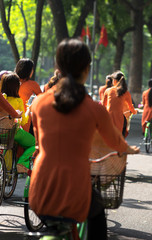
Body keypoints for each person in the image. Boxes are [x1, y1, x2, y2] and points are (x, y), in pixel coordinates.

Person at [29, 38, 140, 240]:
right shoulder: (94, 109)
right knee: (97, 216)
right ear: (87, 69)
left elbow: (40, 140)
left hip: (40, 191)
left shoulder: (38, 103)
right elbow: (114, 142)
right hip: (75, 191)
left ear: (57, 67)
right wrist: (129, 149)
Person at [1, 72, 35, 173]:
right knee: (35, 144)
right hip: (12, 132)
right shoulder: (18, 101)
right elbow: (23, 121)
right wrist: (28, 110)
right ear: (16, 87)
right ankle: (22, 163)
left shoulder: (2, 98)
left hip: (0, 130)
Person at [102, 71, 137, 137]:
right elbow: (131, 107)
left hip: (108, 118)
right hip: (119, 118)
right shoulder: (126, 92)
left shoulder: (108, 90)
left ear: (115, 81)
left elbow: (103, 106)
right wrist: (134, 112)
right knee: (121, 134)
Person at [15, 58, 42, 132]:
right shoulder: (32, 84)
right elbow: (42, 98)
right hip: (24, 115)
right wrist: (32, 106)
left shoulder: (11, 80)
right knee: (23, 140)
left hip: (9, 113)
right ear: (29, 71)